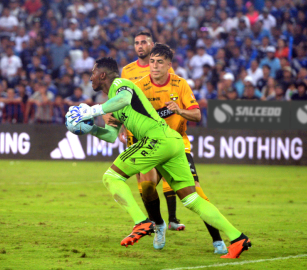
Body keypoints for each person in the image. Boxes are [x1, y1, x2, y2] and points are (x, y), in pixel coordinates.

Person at [66, 55, 251, 259]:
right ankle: (237, 238)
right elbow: (110, 136)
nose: (90, 77)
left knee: (110, 177)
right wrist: (90, 128)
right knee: (191, 199)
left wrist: (92, 110)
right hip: (171, 142)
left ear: (102, 75)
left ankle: (142, 222)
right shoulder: (112, 103)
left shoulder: (121, 84)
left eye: (92, 73)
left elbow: (125, 99)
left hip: (156, 139)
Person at [113, 42, 228, 254]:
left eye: (160, 63)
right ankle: (159, 225)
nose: (154, 66)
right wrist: (121, 126)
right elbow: (124, 110)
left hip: (177, 146)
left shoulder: (180, 84)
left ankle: (217, 240)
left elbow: (197, 115)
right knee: (147, 188)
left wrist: (180, 110)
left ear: (169, 65)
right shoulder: (138, 87)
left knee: (196, 194)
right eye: (152, 62)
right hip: (151, 145)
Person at [114, 31, 183, 234]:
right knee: (143, 178)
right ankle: (151, 221)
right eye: (136, 43)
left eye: (144, 42)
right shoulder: (127, 70)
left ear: (153, 44)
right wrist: (122, 126)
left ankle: (171, 218)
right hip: (136, 130)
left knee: (168, 172)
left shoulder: (162, 69)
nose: (140, 46)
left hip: (161, 130)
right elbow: (123, 100)